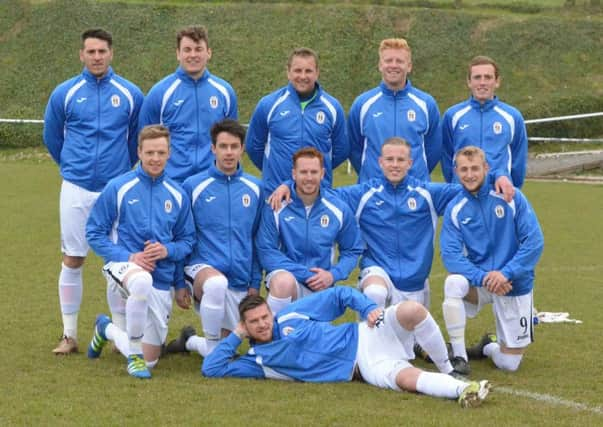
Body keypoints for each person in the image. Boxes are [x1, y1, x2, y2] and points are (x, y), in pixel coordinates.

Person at [202, 288, 491, 408]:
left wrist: (367, 308)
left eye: (265, 316)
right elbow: (211, 368)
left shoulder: (292, 314)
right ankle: (463, 391)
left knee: (413, 311)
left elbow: (340, 294)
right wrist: (236, 336)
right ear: (245, 326)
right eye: (253, 322)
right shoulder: (257, 361)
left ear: (271, 313)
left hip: (366, 334)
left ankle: (449, 369)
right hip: (363, 367)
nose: (262, 324)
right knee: (407, 381)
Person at [43, 28, 144, 354]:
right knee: (73, 258)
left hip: (114, 190)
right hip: (76, 187)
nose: (97, 57)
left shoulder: (130, 94)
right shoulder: (65, 93)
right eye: (91, 51)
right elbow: (52, 137)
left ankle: (119, 333)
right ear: (82, 55)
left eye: (102, 51)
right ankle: (69, 335)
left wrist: (119, 171)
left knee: (117, 261)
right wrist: (73, 166)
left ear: (111, 53)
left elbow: (135, 140)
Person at [270, 137, 460, 310]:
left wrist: (491, 177)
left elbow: (469, 187)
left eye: (400, 160)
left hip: (415, 281)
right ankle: (370, 344)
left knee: (408, 346)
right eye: (389, 159)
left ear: (410, 163)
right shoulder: (363, 194)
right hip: (377, 272)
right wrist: (289, 184)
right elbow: (315, 190)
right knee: (374, 293)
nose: (395, 165)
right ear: (380, 162)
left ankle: (452, 348)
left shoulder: (429, 194)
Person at [85, 125, 195, 379]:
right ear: (139, 152)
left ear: (169, 153)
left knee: (152, 360)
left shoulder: (178, 194)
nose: (155, 158)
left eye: (161, 152)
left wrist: (167, 251)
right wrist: (130, 257)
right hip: (122, 266)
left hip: (162, 278)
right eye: (150, 152)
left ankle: (107, 330)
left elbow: (187, 241)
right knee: (142, 279)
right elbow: (94, 233)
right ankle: (133, 355)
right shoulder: (118, 187)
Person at [440, 146, 544, 374]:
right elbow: (450, 255)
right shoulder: (455, 208)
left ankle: (488, 347)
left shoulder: (511, 197)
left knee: (509, 364)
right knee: (453, 283)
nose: (470, 174)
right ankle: (459, 357)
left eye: (475, 168)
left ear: (486, 168)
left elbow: (534, 241)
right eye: (464, 169)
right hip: (482, 283)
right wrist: (484, 276)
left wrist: (506, 273)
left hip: (513, 283)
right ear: (456, 171)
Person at [165, 119, 263, 357]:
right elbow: (181, 235)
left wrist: (254, 282)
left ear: (242, 149)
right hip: (202, 271)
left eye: (234, 147)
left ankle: (189, 342)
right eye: (223, 146)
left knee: (230, 345)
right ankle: (213, 350)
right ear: (213, 148)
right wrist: (179, 282)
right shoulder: (193, 186)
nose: (228, 152)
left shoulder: (256, 188)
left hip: (239, 278)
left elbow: (258, 240)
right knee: (216, 285)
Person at [255, 147, 363, 314]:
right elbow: (266, 251)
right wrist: (306, 275)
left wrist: (332, 275)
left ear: (322, 173)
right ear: (293, 174)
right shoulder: (276, 206)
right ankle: (272, 337)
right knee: (283, 282)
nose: (309, 178)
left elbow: (352, 250)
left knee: (311, 337)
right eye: (303, 172)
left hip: (322, 284)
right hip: (289, 279)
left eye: (314, 172)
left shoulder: (338, 209)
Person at [139, 25, 237, 183]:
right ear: (178, 54)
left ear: (209, 52)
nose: (193, 55)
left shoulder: (225, 92)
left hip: (211, 181)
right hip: (172, 182)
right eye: (187, 49)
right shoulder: (160, 93)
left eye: (198, 49)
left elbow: (232, 140)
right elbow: (144, 140)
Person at [245, 47, 348, 193]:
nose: (303, 76)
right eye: (298, 71)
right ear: (288, 72)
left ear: (317, 73)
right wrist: (274, 173)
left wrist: (315, 174)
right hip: (277, 195)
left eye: (308, 71)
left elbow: (341, 150)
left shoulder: (332, 107)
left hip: (318, 195)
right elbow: (253, 147)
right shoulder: (268, 104)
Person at [348, 38, 440, 183]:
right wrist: (372, 173)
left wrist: (414, 174)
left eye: (399, 61)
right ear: (380, 65)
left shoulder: (426, 104)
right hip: (373, 191)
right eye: (388, 60)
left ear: (409, 66)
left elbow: (433, 149)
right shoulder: (362, 104)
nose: (393, 65)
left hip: (415, 192)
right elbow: (354, 149)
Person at [441, 55, 528, 200]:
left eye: (487, 77)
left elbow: (518, 160)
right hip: (462, 194)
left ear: (497, 82)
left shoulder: (512, 117)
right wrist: (456, 183)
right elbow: (446, 155)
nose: (482, 82)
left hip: (499, 194)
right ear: (469, 82)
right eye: (477, 77)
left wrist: (512, 187)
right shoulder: (453, 115)